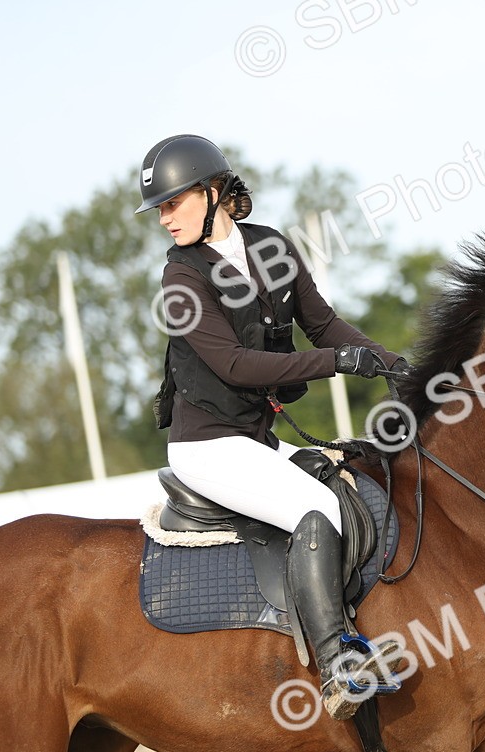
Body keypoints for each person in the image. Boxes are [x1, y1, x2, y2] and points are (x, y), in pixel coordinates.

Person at [135, 134, 408, 721]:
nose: (164, 219)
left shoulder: (270, 247)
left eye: (172, 203)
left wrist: (392, 365)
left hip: (254, 441)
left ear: (212, 192)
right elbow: (236, 366)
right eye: (159, 209)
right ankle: (337, 662)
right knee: (320, 508)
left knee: (353, 493)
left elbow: (324, 324)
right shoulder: (181, 281)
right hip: (207, 447)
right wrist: (336, 363)